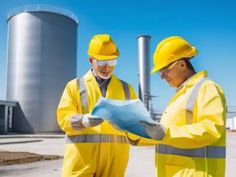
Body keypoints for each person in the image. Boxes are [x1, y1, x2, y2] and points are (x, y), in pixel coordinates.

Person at [141, 36, 226, 177]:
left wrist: (164, 133)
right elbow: (163, 136)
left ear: (181, 64)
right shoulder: (181, 96)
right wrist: (135, 133)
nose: (162, 77)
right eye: (160, 72)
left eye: (165, 70)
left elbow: (210, 129)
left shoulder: (206, 88)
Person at [57, 34, 139, 177]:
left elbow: (139, 126)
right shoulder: (74, 86)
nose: (107, 67)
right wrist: (82, 121)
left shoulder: (127, 90)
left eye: (112, 61)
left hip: (114, 165)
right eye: (101, 62)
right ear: (91, 60)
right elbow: (63, 118)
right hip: (82, 164)